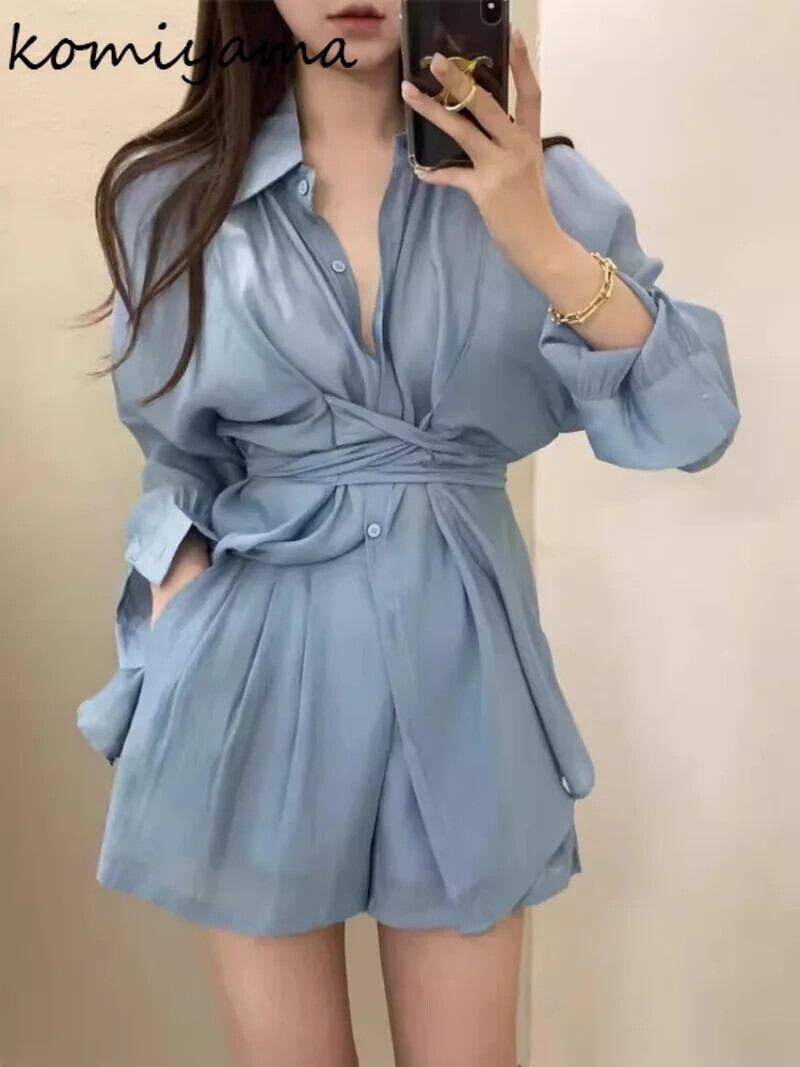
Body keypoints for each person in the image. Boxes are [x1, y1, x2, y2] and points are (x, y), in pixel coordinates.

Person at [76, 2, 741, 1064]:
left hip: (462, 671)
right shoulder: (172, 199)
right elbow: (179, 464)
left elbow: (696, 424)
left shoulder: (544, 190)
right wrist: (178, 615)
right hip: (248, 672)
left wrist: (534, 236)